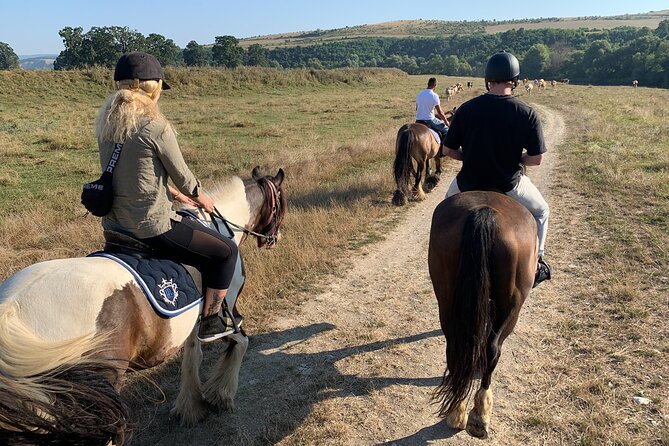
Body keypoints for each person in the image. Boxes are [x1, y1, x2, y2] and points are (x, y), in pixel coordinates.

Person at [96, 51, 239, 342]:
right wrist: (201, 198)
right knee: (226, 251)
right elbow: (184, 177)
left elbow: (131, 173)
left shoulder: (107, 124)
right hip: (151, 228)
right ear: (153, 88)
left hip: (114, 227)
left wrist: (171, 193)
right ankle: (213, 321)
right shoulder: (156, 126)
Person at [440, 51, 552, 287]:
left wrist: (468, 156)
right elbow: (537, 159)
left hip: (468, 183)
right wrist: (518, 158)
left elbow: (448, 151)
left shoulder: (467, 109)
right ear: (515, 79)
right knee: (541, 211)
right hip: (509, 185)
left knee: (443, 212)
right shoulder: (527, 113)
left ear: (488, 78)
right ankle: (536, 264)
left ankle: (440, 260)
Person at [415, 77, 449, 146]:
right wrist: (446, 122)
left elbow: (417, 108)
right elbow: (440, 112)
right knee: (447, 130)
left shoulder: (419, 94)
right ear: (435, 85)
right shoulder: (434, 96)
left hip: (418, 120)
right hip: (429, 120)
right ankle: (443, 150)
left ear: (428, 84)